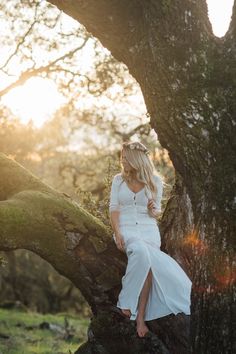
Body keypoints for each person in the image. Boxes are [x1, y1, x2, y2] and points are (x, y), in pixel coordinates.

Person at [109, 141, 192, 338]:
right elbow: (113, 208)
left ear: (136, 160)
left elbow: (156, 213)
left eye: (125, 158)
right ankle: (126, 303)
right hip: (126, 230)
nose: (123, 162)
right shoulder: (118, 181)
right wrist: (118, 232)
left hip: (148, 232)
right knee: (139, 252)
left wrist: (153, 209)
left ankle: (140, 319)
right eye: (122, 158)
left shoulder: (154, 181)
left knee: (146, 268)